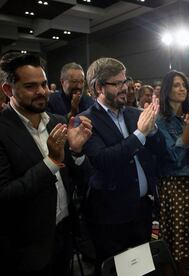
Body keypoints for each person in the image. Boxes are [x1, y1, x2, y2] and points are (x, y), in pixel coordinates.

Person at [0, 53, 92, 276]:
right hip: (26, 246)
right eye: (31, 86)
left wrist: (77, 152)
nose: (41, 91)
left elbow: (78, 179)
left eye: (43, 84)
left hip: (64, 233)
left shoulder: (58, 122)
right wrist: (51, 162)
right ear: (8, 90)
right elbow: (4, 195)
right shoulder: (3, 130)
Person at [79, 57, 165, 275]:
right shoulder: (85, 121)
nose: (124, 87)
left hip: (142, 208)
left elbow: (160, 151)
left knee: (142, 266)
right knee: (115, 269)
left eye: (124, 81)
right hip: (110, 213)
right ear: (98, 87)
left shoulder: (135, 113)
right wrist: (140, 134)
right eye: (116, 83)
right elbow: (104, 161)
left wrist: (153, 130)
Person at [156, 70, 189, 275]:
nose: (182, 89)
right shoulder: (161, 120)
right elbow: (174, 158)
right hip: (174, 184)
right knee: (176, 241)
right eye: (176, 85)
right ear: (166, 89)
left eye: (184, 85)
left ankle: (187, 270)